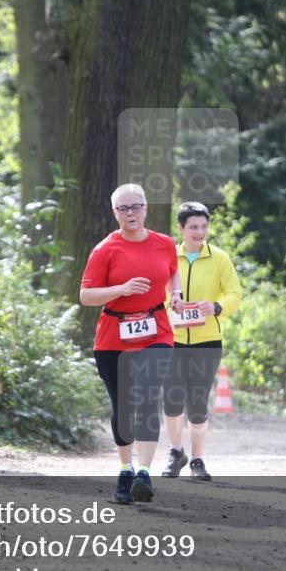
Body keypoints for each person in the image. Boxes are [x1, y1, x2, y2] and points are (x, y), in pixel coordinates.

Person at [80, 184, 185, 504]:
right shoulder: (105, 250)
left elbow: (172, 272)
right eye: (123, 209)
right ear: (115, 213)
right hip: (113, 335)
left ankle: (144, 473)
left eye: (136, 207)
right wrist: (122, 288)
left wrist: (176, 294)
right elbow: (86, 296)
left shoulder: (164, 243)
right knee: (123, 407)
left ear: (146, 208)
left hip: (156, 332)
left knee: (147, 396)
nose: (131, 214)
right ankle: (125, 470)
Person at [161, 202, 241, 481]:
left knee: (197, 402)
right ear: (180, 228)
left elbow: (234, 295)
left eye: (203, 226)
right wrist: (170, 301)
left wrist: (216, 307)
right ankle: (175, 452)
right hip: (173, 340)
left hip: (207, 341)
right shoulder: (168, 257)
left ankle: (197, 459)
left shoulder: (219, 259)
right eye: (193, 227)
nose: (199, 232)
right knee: (171, 398)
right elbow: (158, 294)